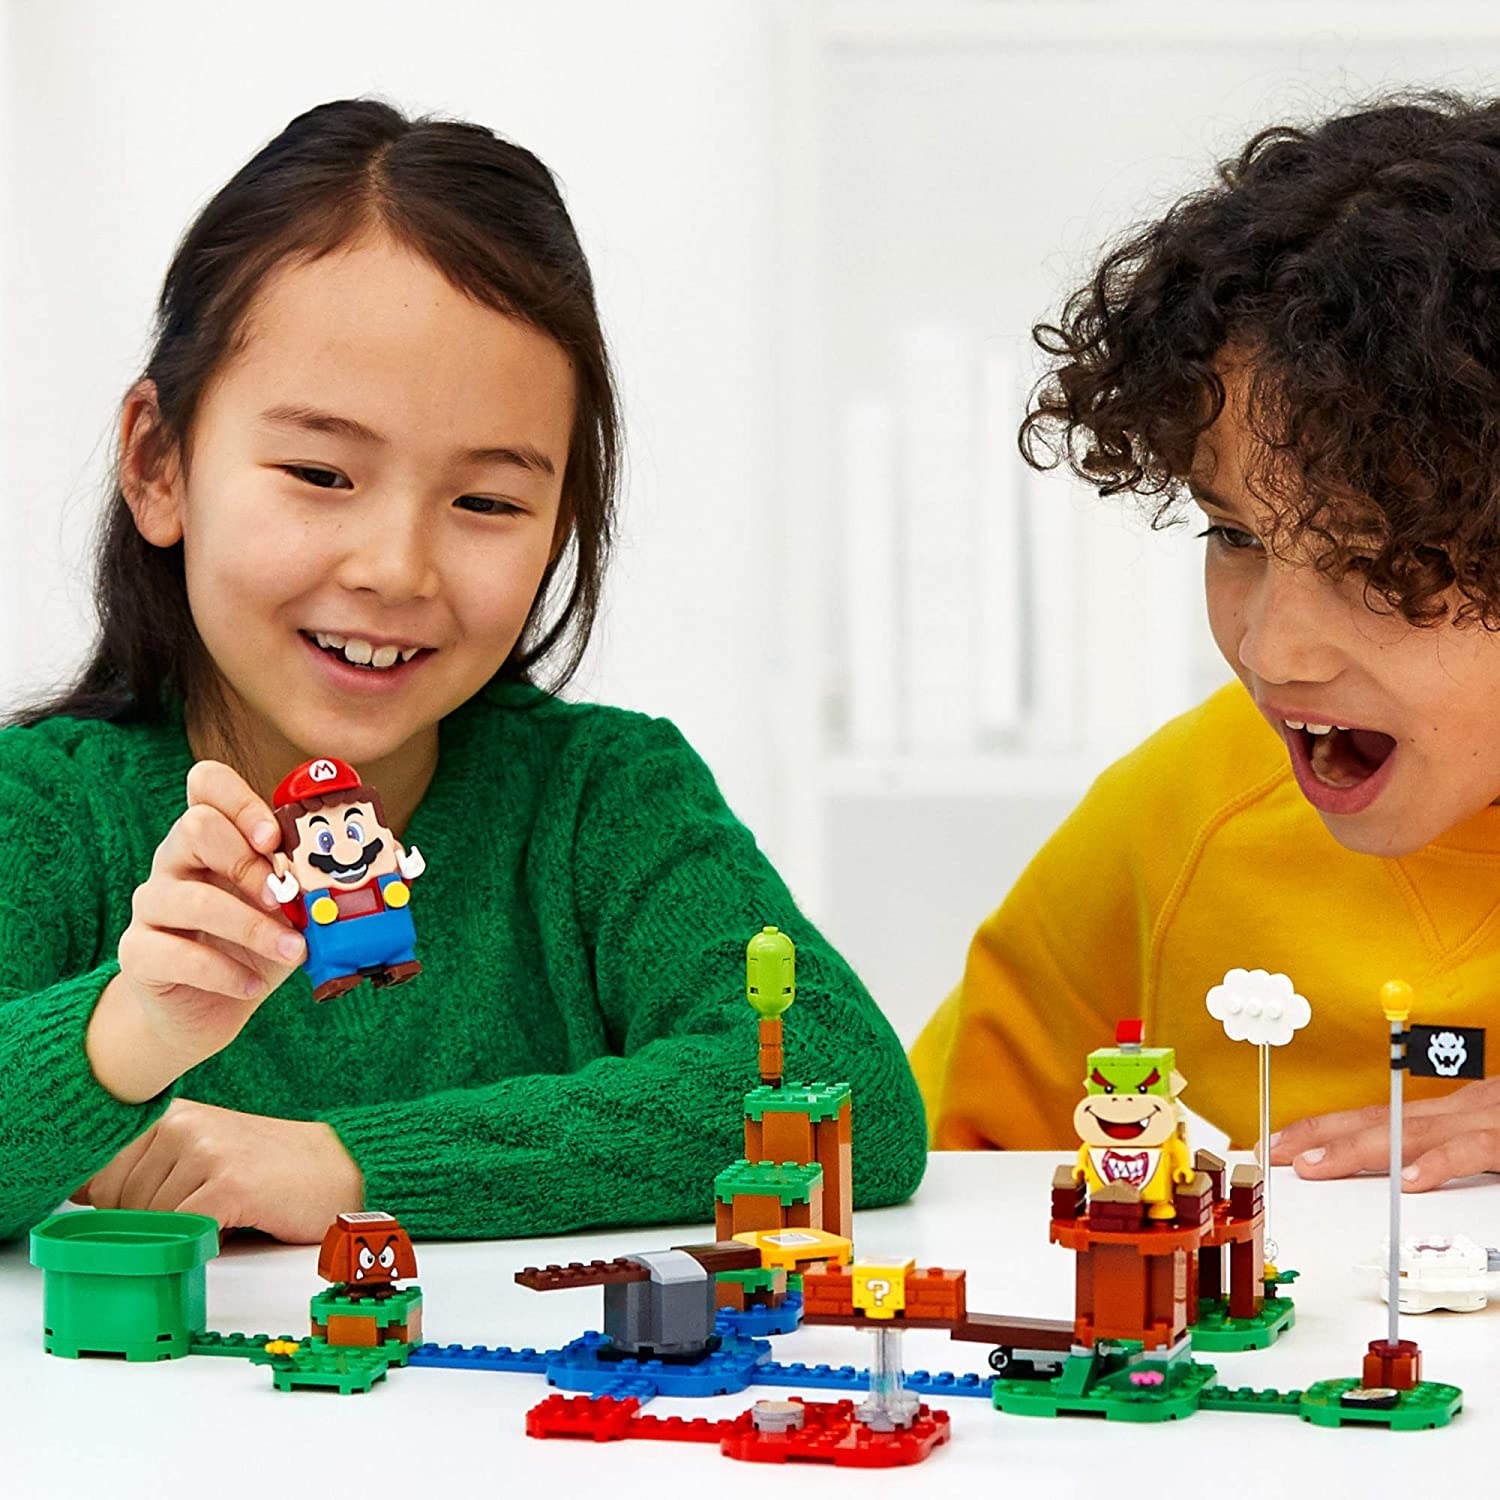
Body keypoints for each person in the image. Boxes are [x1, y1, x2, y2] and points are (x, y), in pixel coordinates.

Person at [0, 98, 925, 1244]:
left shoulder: (606, 800)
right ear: (158, 464)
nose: (396, 569)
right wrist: (132, 1029)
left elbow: (853, 1102)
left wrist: (352, 1167)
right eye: (320, 472)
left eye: (486, 501)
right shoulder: (39, 812)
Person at [913, 93, 1500, 1193]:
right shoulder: (1177, 823)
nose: (1274, 650)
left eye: (1381, 559)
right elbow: (932, 1188)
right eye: (1234, 534)